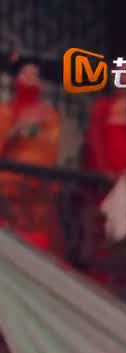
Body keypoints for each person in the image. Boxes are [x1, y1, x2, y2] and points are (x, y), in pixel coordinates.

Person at [0, 57, 62, 252]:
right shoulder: (4, 111)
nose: (30, 78)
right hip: (8, 189)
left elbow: (51, 151)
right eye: (25, 74)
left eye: (35, 75)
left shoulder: (49, 115)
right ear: (16, 79)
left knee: (35, 245)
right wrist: (16, 129)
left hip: (37, 192)